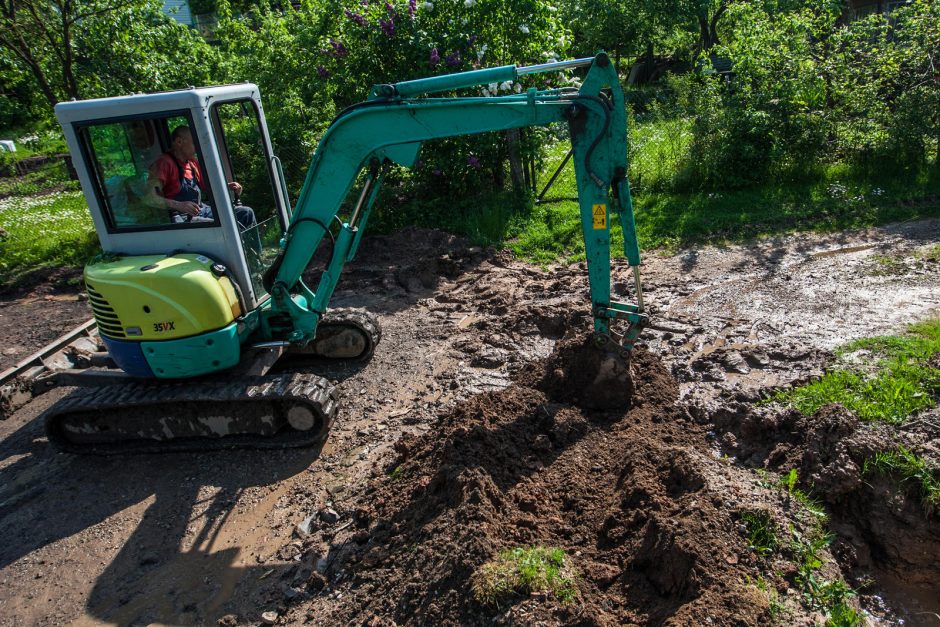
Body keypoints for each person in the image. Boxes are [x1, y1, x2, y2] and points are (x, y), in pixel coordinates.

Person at [148, 125, 256, 230]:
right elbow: (149, 198)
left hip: (201, 210)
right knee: (225, 226)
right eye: (194, 143)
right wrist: (179, 205)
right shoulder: (164, 163)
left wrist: (228, 187)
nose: (197, 147)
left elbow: (208, 187)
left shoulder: (192, 163)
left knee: (246, 213)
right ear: (179, 142)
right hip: (182, 217)